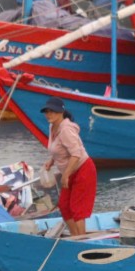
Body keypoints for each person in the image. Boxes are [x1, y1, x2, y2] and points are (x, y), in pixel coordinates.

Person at [40, 96, 97, 236]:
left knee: (77, 208)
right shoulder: (52, 126)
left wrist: (65, 175)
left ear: (61, 112)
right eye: (47, 111)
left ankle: (82, 241)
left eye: (52, 111)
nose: (49, 114)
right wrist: (51, 161)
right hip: (70, 171)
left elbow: (76, 153)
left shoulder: (66, 129)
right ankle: (75, 237)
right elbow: (58, 148)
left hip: (83, 169)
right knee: (64, 206)